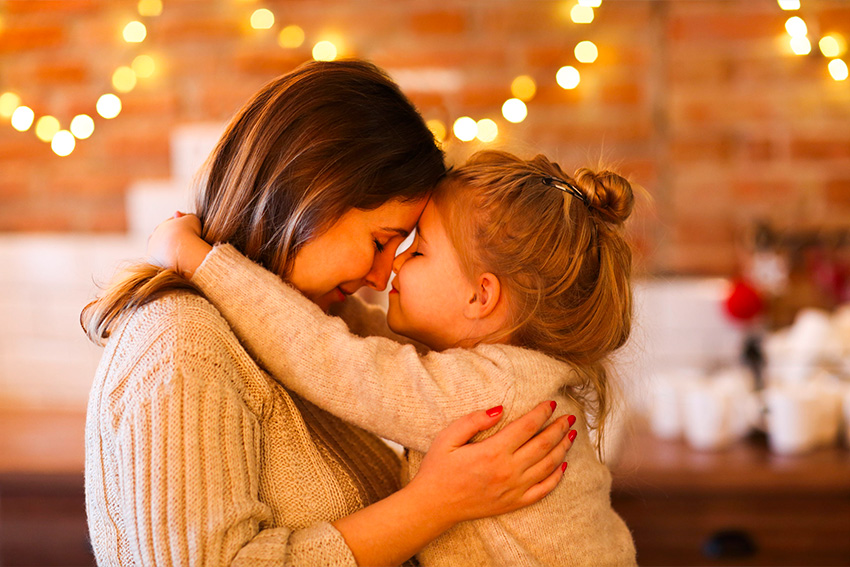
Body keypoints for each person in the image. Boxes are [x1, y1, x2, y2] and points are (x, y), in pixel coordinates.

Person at [81, 61, 574, 567]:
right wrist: (435, 503)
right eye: (382, 241)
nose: (385, 277)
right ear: (314, 191)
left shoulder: (303, 321)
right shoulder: (183, 346)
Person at [148, 149, 639, 566]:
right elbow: (361, 344)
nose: (393, 266)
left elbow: (333, 359)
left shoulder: (495, 391)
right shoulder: (501, 371)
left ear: (480, 296)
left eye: (416, 251)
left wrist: (201, 261)